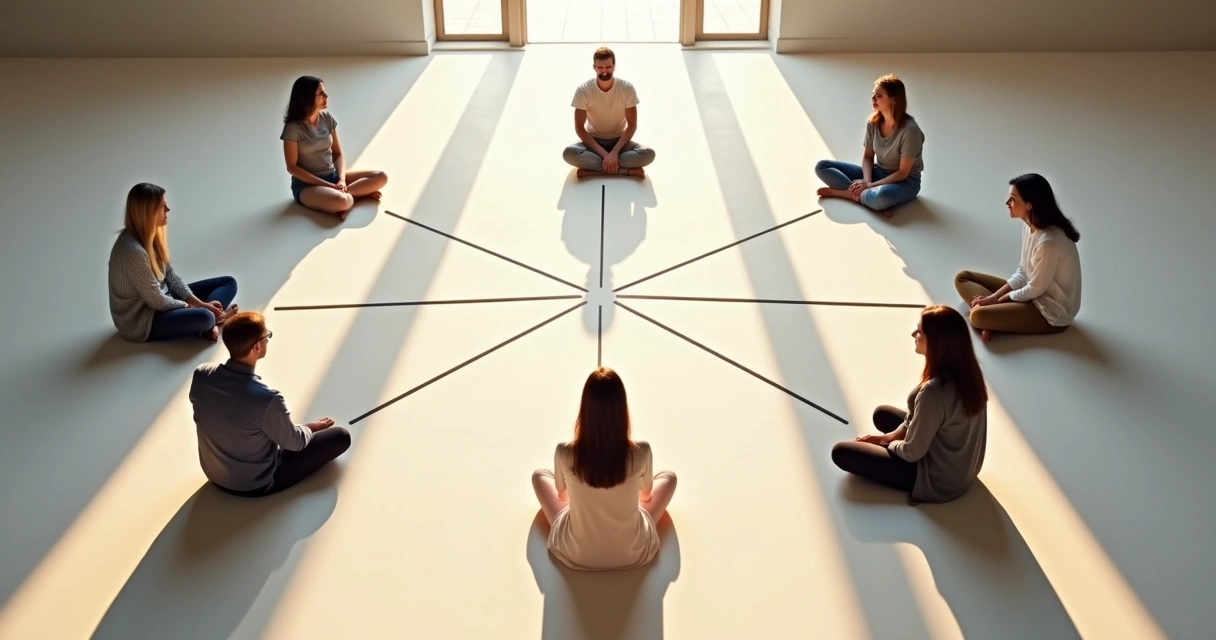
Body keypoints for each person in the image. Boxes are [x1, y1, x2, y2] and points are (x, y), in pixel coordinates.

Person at [831, 305, 987, 505]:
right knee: (882, 414)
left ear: (937, 343)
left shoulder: (934, 393)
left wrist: (889, 444)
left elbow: (911, 453)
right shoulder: (969, 371)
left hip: (939, 480)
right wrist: (886, 436)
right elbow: (915, 417)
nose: (913, 334)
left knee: (841, 452)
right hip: (962, 466)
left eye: (920, 331)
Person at [189, 311, 351, 497]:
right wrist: (311, 427)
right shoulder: (266, 399)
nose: (268, 339)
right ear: (257, 347)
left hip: (214, 474)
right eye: (267, 336)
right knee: (341, 436)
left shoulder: (201, 375)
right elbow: (294, 443)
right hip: (255, 484)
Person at [531, 367, 677, 570]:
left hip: (575, 553)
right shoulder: (641, 451)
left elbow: (563, 497)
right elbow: (645, 497)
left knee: (539, 476)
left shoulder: (565, 452)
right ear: (622, 410)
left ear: (585, 410)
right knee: (669, 478)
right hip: (632, 552)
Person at [955, 173, 1082, 343]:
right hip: (1032, 295)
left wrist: (1001, 300)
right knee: (963, 277)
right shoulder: (1030, 227)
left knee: (977, 316)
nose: (1007, 203)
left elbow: (1035, 289)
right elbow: (1023, 273)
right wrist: (993, 299)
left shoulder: (1049, 243)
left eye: (1013, 199)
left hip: (1049, 314)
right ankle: (996, 319)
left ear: (1029, 205)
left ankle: (991, 320)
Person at [107, 183, 238, 343]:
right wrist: (196, 308)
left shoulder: (149, 235)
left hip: (162, 298)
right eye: (163, 206)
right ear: (148, 212)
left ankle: (217, 317)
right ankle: (211, 321)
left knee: (228, 282)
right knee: (205, 317)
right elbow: (157, 301)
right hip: (143, 319)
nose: (168, 210)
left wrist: (202, 303)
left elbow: (171, 277)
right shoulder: (132, 252)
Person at [815, 74, 925, 217]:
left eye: (878, 95)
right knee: (821, 166)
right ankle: (868, 199)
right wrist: (867, 180)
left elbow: (903, 173)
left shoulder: (910, 131)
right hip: (877, 173)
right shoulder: (873, 122)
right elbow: (868, 156)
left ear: (894, 99)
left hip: (905, 182)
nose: (873, 98)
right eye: (873, 94)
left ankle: (848, 194)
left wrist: (869, 186)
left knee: (883, 197)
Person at [281, 75, 388, 220]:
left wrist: (341, 180)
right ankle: (354, 197)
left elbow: (337, 154)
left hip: (333, 177)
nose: (326, 96)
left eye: (324, 91)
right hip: (308, 186)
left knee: (381, 176)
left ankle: (349, 196)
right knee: (342, 201)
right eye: (320, 93)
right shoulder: (292, 128)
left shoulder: (327, 118)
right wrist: (329, 186)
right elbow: (292, 168)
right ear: (306, 98)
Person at [563, 47, 656, 179]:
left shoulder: (626, 88)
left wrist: (615, 153)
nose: (604, 71)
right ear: (594, 67)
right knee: (569, 153)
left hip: (620, 142)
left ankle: (592, 171)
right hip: (593, 142)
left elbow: (632, 125)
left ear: (614, 66)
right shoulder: (584, 90)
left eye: (608, 67)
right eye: (600, 67)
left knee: (648, 154)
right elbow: (579, 128)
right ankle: (626, 171)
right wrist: (606, 155)